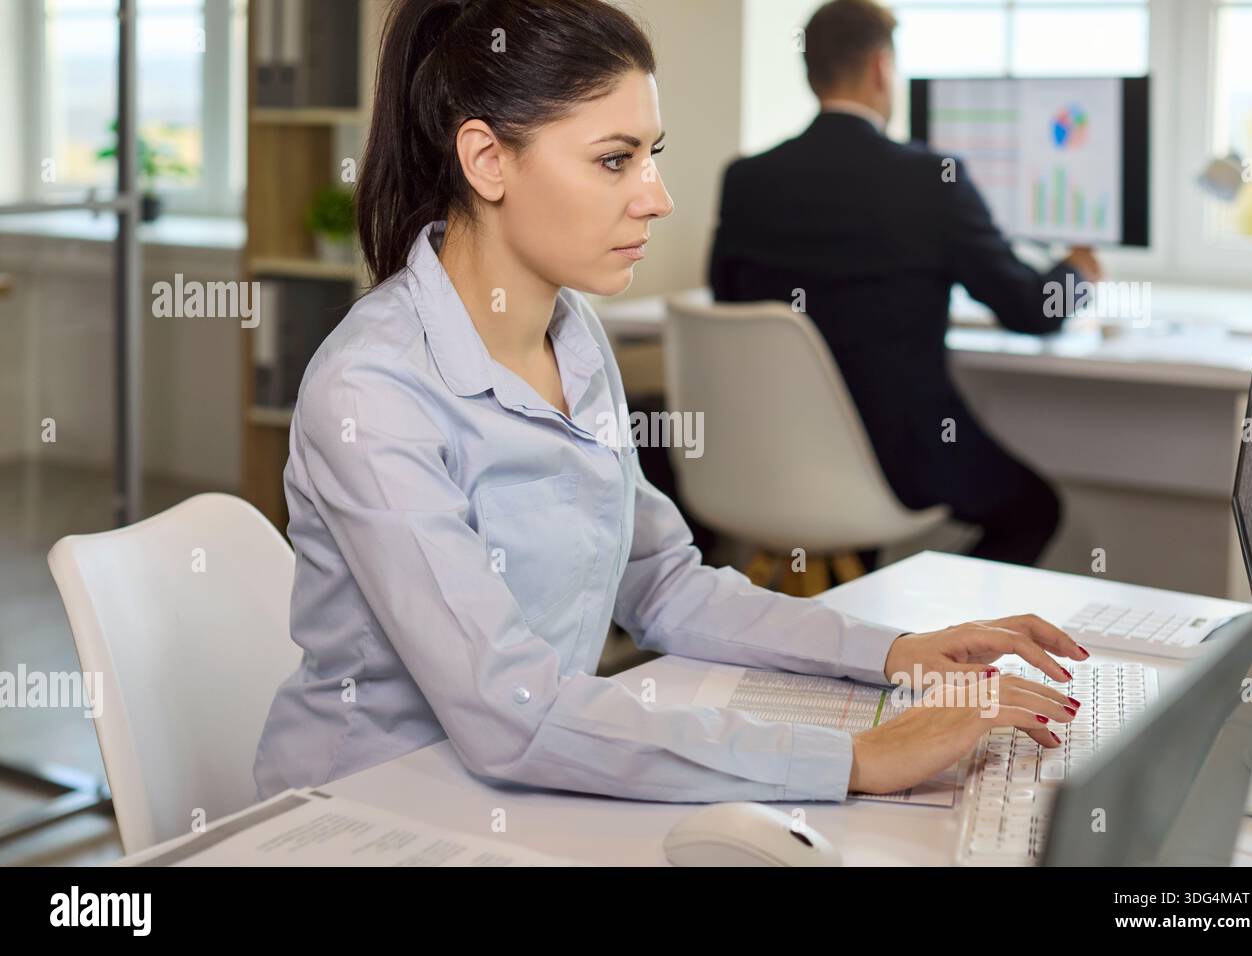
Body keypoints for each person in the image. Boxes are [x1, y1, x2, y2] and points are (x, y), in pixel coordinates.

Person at [254, 0, 1086, 805]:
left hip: (520, 787)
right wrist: (851, 759)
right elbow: (512, 716)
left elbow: (661, 585)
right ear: (487, 160)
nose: (657, 196)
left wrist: (899, 653)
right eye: (616, 159)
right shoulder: (373, 391)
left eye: (653, 154)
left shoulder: (573, 339)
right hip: (368, 808)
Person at [709, 0, 1104, 569]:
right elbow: (1031, 308)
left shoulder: (746, 179)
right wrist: (1078, 273)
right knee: (1033, 509)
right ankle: (950, 638)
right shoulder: (929, 179)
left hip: (776, 457)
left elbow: (725, 297)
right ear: (879, 69)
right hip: (904, 458)